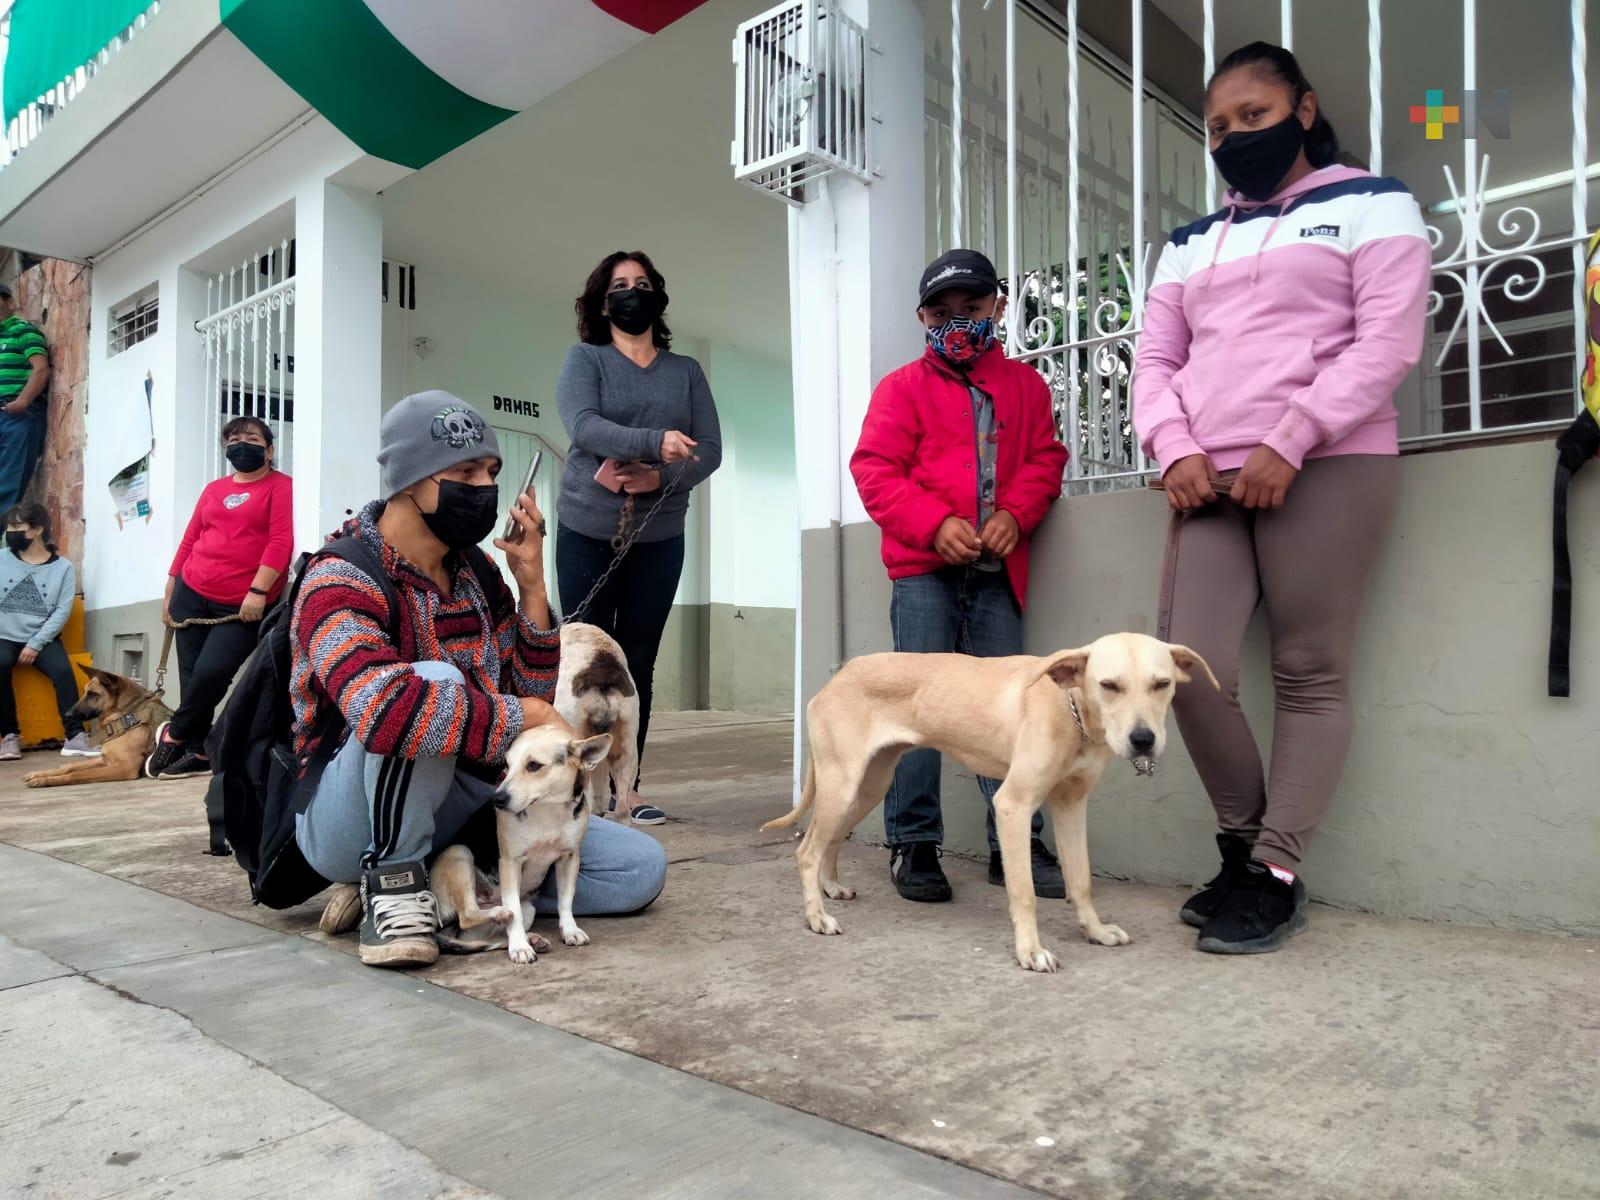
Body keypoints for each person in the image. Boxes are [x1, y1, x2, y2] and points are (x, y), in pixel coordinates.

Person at [1132, 42, 1430, 955]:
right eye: (1219, 127)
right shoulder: (1188, 245)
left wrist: (1290, 440)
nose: (1233, 137)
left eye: (1253, 117)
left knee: (1308, 672)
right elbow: (1155, 362)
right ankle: (1244, 851)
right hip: (1204, 475)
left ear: (1302, 111)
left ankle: (1274, 871)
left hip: (1330, 462)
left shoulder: (1374, 203)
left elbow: (1387, 342)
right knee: (1183, 669)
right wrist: (1175, 446)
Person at [290, 391, 668, 968]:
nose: (485, 486)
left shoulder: (478, 575)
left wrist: (534, 589)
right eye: (465, 471)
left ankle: (452, 893)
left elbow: (529, 698)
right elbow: (384, 712)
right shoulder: (339, 575)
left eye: (490, 471)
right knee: (429, 687)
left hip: (470, 804)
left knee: (636, 871)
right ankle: (390, 879)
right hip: (344, 813)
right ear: (408, 480)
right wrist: (527, 716)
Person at [850, 249, 1069, 904]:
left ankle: (1017, 840)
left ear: (996, 307)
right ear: (923, 317)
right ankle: (913, 843)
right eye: (942, 314)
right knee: (915, 713)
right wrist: (933, 523)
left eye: (971, 310)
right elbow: (875, 471)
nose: (957, 323)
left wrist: (1015, 514)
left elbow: (1046, 462)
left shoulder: (1027, 387)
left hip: (999, 576)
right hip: (924, 575)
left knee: (1011, 711)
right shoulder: (900, 388)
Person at [555, 250, 722, 826]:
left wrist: (660, 476)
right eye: (620, 285)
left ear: (658, 296)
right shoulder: (587, 360)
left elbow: (712, 449)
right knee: (582, 659)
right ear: (604, 303)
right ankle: (576, 785)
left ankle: (627, 789)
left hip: (659, 532)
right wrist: (654, 442)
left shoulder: (687, 372)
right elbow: (581, 425)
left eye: (642, 283)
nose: (632, 292)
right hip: (586, 529)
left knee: (637, 663)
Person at [146, 416, 293, 780]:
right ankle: (197, 751)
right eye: (234, 439)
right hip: (191, 591)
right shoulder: (214, 489)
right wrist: (170, 587)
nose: (241, 444)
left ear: (270, 449)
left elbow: (280, 542)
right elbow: (191, 536)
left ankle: (174, 732)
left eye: (252, 438)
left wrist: (259, 591)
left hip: (242, 603)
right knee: (193, 675)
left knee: (213, 673)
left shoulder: (281, 487)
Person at [0, 502, 95, 761]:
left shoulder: (62, 568)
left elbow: (62, 611)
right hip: (3, 636)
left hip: (43, 637)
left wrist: (35, 644)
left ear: (37, 529)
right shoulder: (2, 559)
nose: (10, 532)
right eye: (9, 527)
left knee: (63, 672)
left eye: (17, 527)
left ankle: (74, 736)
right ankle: (9, 736)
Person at [0, 282, 51, 514]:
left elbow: (41, 369)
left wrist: (21, 402)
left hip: (18, 416)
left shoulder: (23, 331)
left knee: (9, 485)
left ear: (9, 302)